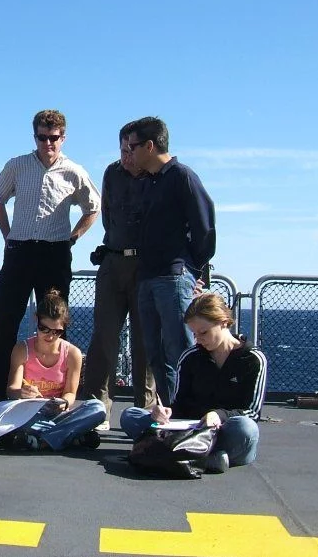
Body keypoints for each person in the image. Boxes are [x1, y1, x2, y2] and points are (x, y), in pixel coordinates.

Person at [0, 110, 100, 399]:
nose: (48, 143)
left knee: (55, 323)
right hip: (19, 251)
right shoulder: (17, 166)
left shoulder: (74, 171)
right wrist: (7, 235)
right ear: (34, 136)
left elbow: (93, 208)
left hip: (54, 253)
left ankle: (60, 395)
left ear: (63, 138)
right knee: (4, 323)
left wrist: (73, 238)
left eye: (53, 137)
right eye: (42, 137)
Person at [123, 116, 216, 406]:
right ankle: (171, 412)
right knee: (155, 354)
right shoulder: (149, 183)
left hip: (173, 277)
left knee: (181, 350)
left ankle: (194, 412)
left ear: (150, 146)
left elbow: (205, 228)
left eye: (133, 146)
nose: (130, 152)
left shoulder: (182, 177)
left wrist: (193, 270)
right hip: (147, 277)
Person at [120, 293, 267, 472]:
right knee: (130, 415)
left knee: (246, 428)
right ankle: (206, 459)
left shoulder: (253, 359)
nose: (198, 339)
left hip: (225, 430)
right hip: (192, 429)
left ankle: (177, 454)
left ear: (223, 322)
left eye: (203, 332)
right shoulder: (191, 357)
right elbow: (181, 403)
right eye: (195, 334)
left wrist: (218, 415)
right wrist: (164, 412)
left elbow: (252, 412)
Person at [82, 129, 156, 429]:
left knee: (145, 341)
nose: (126, 157)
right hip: (113, 261)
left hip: (146, 265)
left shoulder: (159, 177)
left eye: (131, 151)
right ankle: (97, 410)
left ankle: (144, 412)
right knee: (103, 337)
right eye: (122, 150)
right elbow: (108, 217)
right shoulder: (112, 173)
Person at [3, 289, 106, 450]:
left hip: (59, 414)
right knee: (17, 421)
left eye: (57, 332)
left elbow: (70, 393)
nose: (50, 336)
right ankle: (69, 436)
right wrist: (22, 392)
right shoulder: (22, 349)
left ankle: (44, 440)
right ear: (36, 320)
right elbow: (11, 389)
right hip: (30, 413)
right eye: (44, 329)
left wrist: (64, 403)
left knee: (97, 408)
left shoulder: (72, 354)